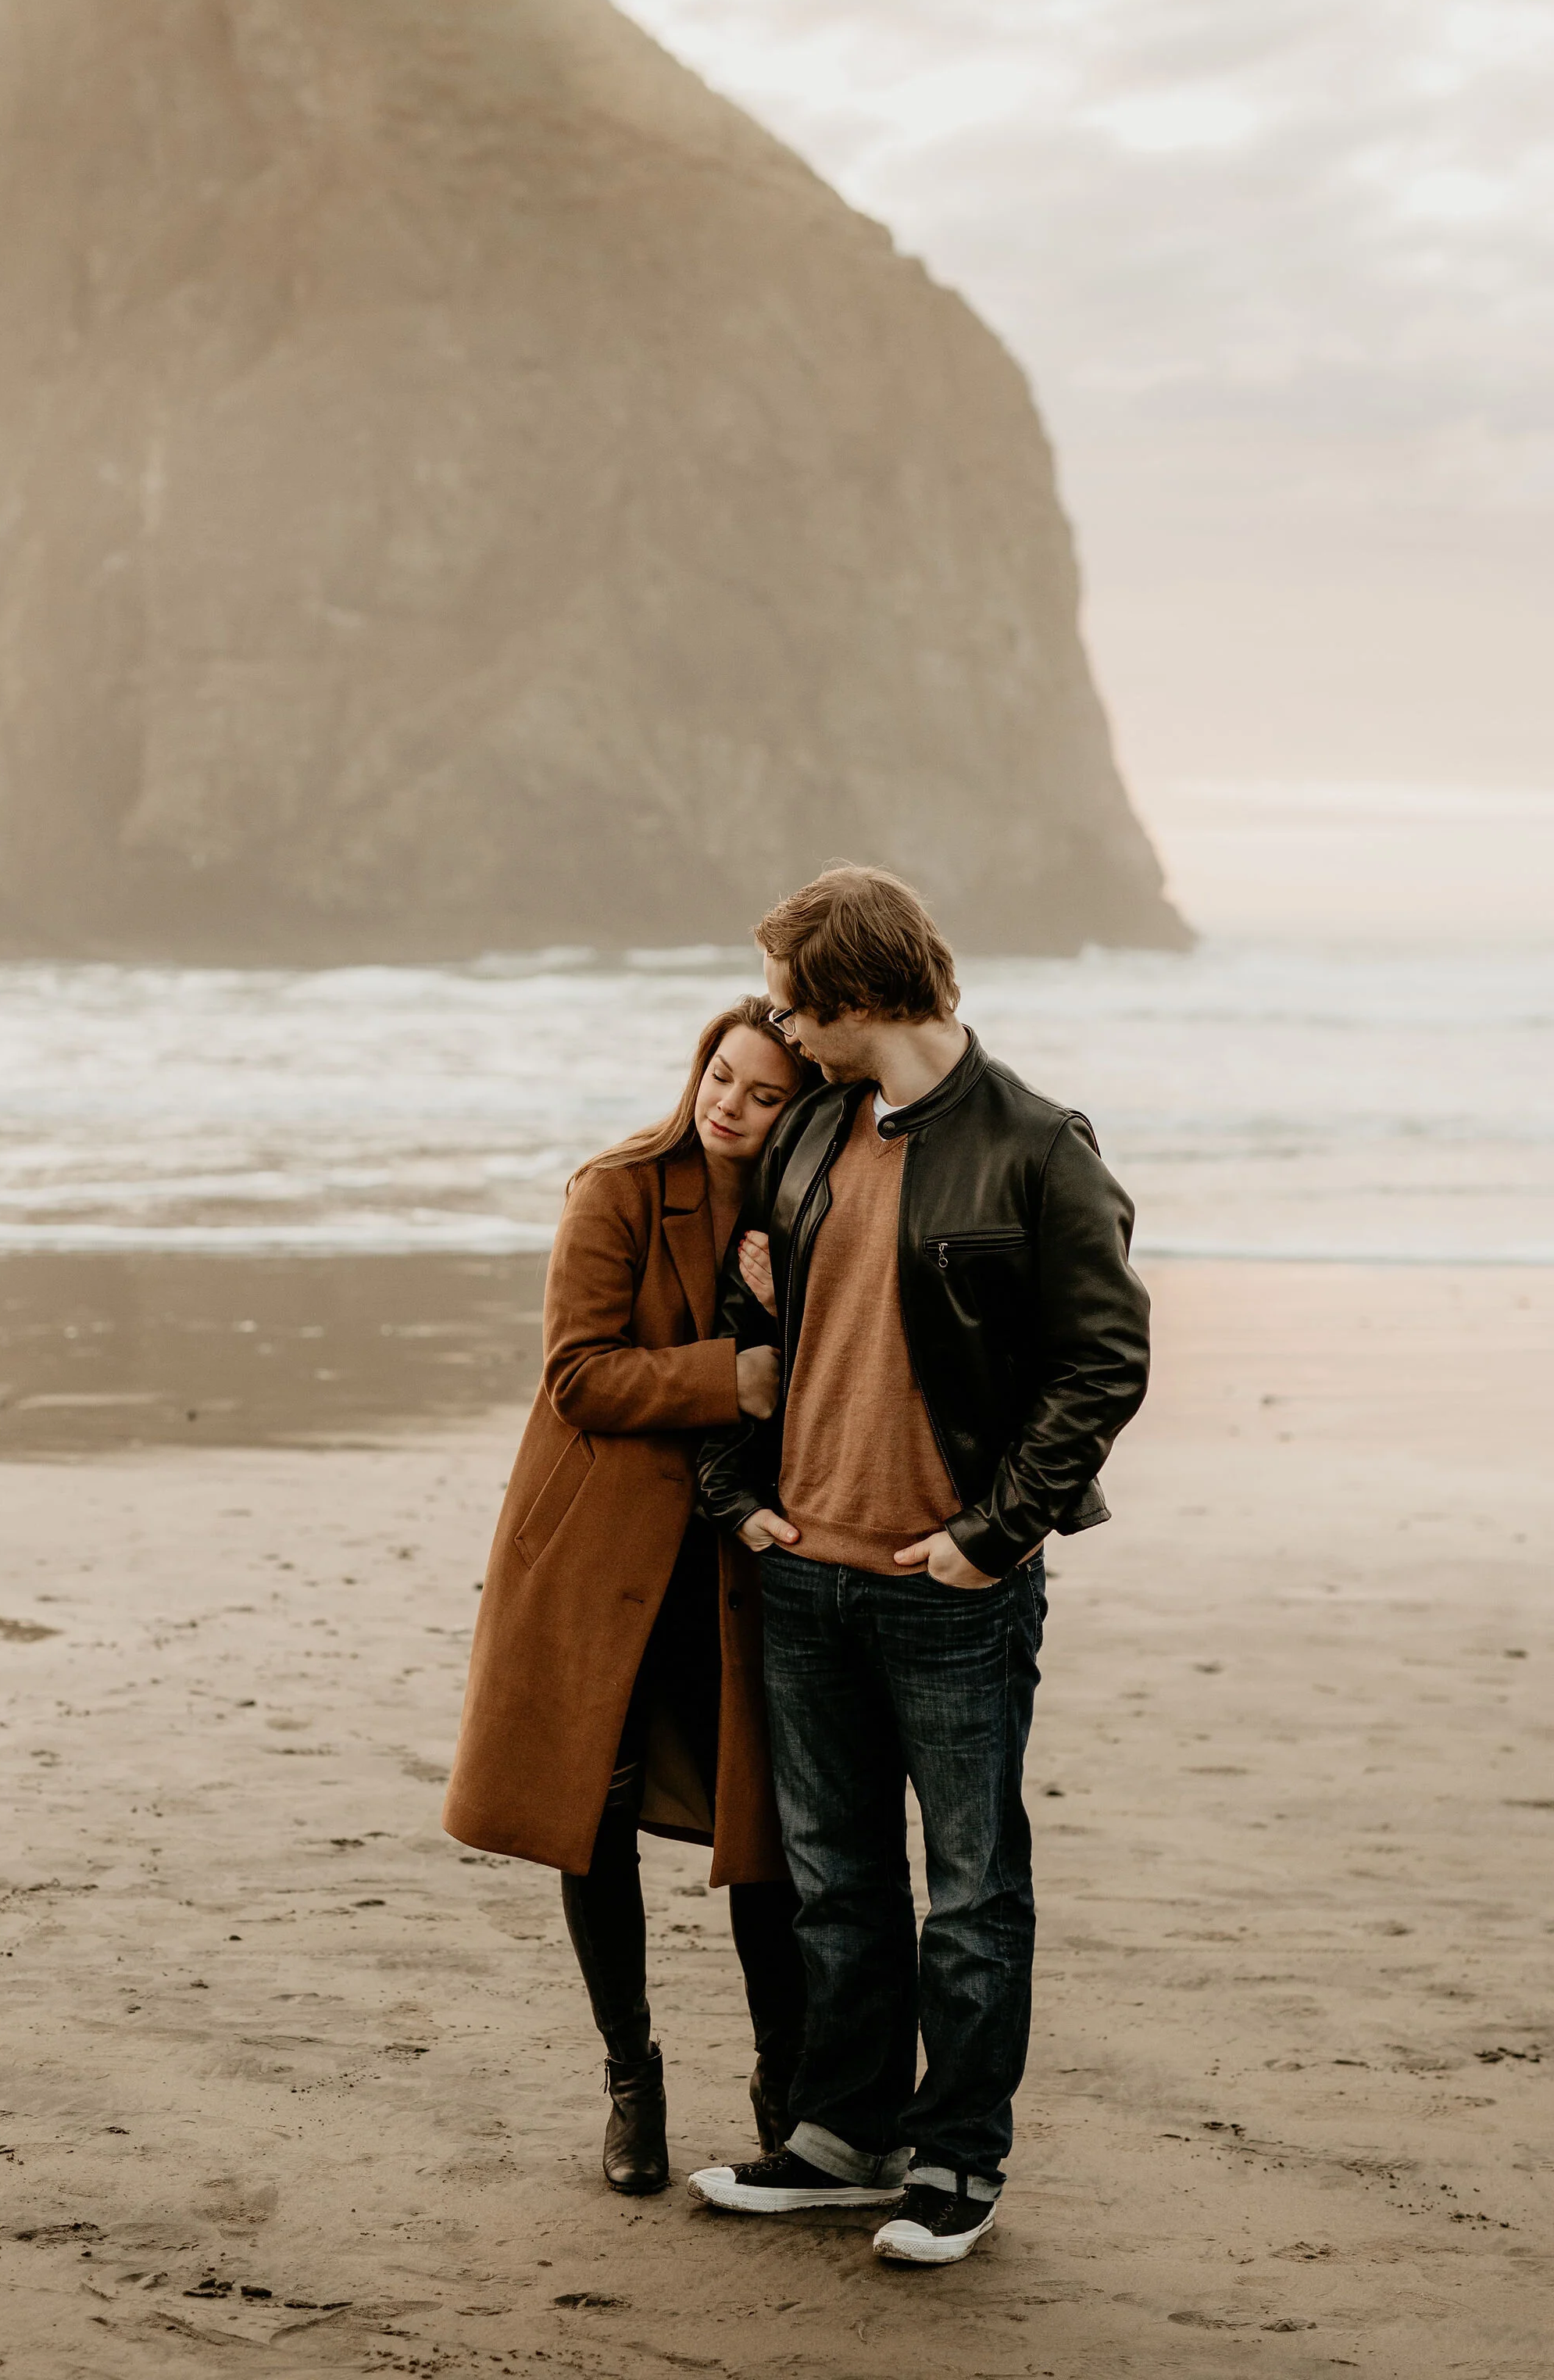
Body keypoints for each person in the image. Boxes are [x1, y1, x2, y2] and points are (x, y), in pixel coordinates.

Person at [688, 867, 1149, 2267]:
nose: (779, 1024)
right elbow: (745, 1307)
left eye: (791, 997)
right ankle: (844, 2140)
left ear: (853, 995)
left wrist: (990, 1534)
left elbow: (1105, 1359)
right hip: (803, 1570)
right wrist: (738, 1498)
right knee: (836, 1880)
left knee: (972, 1890)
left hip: (946, 1588)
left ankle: (956, 2165)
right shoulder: (817, 1125)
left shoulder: (1036, 1146)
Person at [444, 999, 812, 2195]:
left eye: (764, 1094)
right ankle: (630, 2082)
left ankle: (789, 2094)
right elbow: (578, 1376)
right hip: (601, 1552)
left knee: (762, 1833)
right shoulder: (616, 1188)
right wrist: (733, 1376)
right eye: (722, 1074)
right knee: (591, 1814)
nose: (730, 1104)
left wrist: (787, 1312)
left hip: (736, 1566)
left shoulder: (806, 1210)